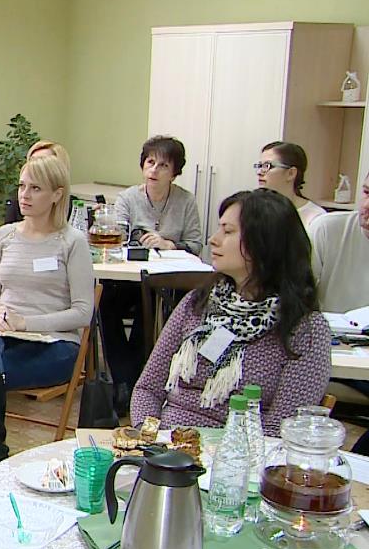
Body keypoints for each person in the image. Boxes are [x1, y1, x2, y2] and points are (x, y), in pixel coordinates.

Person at [131, 189, 331, 436]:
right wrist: (148, 437)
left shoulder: (305, 329)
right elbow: (147, 389)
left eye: (228, 232)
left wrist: (215, 451)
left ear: (264, 243)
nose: (213, 240)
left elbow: (281, 428)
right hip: (167, 443)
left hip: (241, 451)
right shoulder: (199, 302)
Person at [0, 154, 94, 504]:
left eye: (35, 188)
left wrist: (27, 322)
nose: (24, 195)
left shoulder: (72, 242)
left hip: (55, 345)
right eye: (22, 186)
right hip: (5, 339)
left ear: (57, 194)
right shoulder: (4, 237)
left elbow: (83, 313)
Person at [101, 136, 204, 410]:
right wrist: (138, 238)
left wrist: (169, 244)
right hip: (131, 277)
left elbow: (196, 244)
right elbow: (117, 235)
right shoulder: (128, 198)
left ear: (175, 172)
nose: (154, 170)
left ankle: (136, 383)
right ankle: (125, 379)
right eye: (150, 162)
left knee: (150, 308)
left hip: (170, 280)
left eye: (163, 165)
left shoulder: (185, 200)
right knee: (106, 302)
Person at [310, 173, 369, 455]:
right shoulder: (329, 229)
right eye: (366, 193)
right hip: (334, 352)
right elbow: (295, 299)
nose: (366, 206)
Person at [255, 141, 326, 229]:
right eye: (260, 166)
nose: (259, 172)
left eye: (267, 166)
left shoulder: (316, 219)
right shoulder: (255, 211)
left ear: (291, 173)